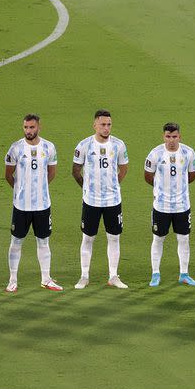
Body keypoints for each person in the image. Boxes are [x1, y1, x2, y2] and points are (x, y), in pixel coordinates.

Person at [4, 114, 62, 292]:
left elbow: (51, 173)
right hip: (21, 206)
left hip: (42, 205)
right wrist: (20, 189)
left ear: (38, 127)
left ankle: (46, 279)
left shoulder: (49, 147)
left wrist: (40, 188)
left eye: (32, 127)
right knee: (16, 241)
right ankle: (12, 280)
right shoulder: (15, 148)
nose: (28, 131)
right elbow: (8, 175)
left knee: (43, 241)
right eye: (26, 128)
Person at [72, 109, 129, 289]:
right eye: (103, 124)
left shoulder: (119, 145)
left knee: (114, 238)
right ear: (95, 125)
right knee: (88, 238)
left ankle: (113, 276)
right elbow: (75, 170)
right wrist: (87, 187)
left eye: (109, 124)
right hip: (91, 201)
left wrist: (114, 185)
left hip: (113, 200)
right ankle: (84, 276)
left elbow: (123, 168)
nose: (106, 128)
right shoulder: (84, 145)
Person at [144, 122, 195, 287]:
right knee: (158, 239)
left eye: (174, 137)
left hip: (182, 206)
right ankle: (155, 274)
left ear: (179, 137)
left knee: (184, 239)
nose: (171, 140)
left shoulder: (188, 153)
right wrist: (162, 190)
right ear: (164, 137)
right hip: (161, 206)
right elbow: (148, 176)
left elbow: (192, 175)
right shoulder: (155, 154)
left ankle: (184, 274)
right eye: (168, 137)